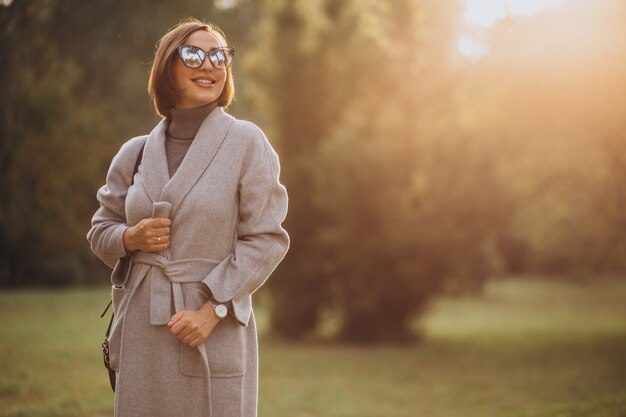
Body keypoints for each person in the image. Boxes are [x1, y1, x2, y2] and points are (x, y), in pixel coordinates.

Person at [87, 17, 289, 417]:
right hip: (143, 331)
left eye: (219, 55)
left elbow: (266, 239)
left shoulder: (247, 142)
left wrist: (212, 310)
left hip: (207, 329)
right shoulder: (136, 152)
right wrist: (131, 238)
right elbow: (100, 230)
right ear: (167, 67)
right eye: (194, 54)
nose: (209, 64)